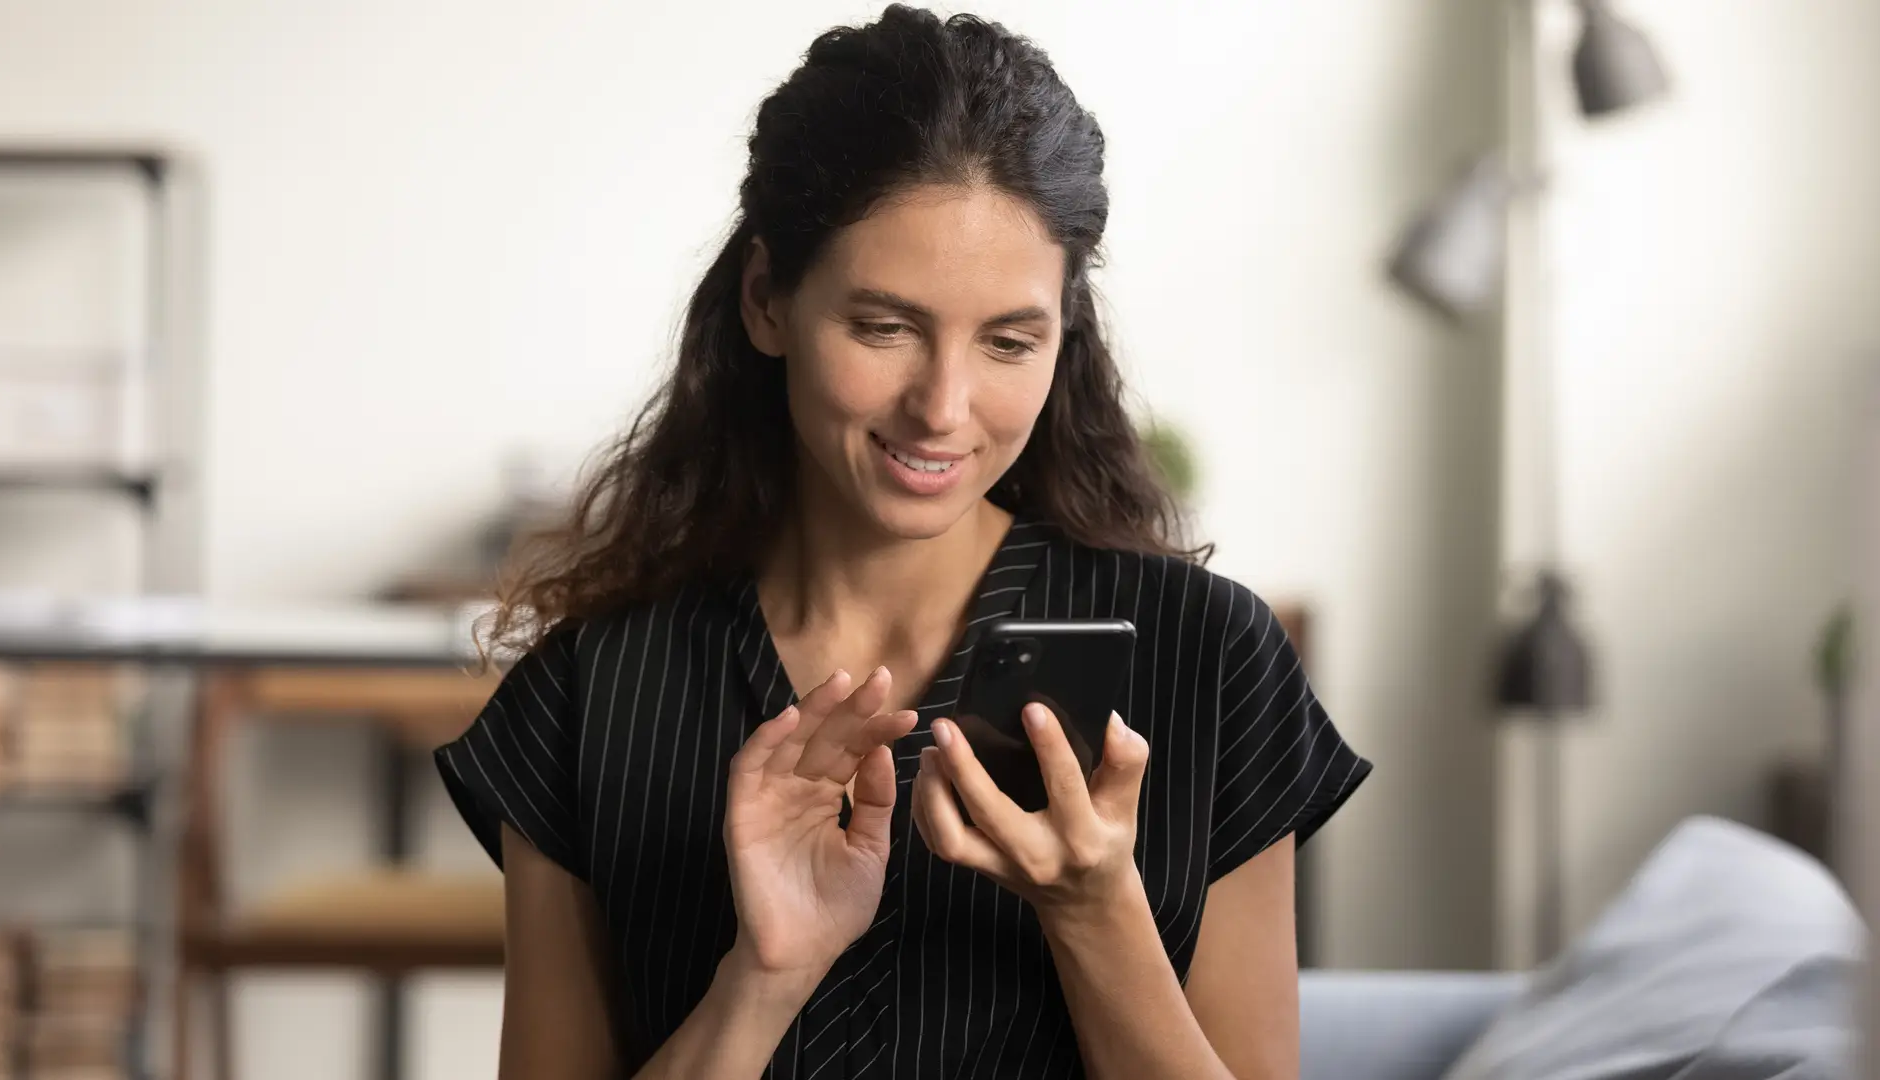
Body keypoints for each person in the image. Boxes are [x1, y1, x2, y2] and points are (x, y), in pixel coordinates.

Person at [435, 6, 1370, 1078]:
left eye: (1010, 341)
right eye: (884, 328)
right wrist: (766, 976)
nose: (943, 406)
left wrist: (1096, 913)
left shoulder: (1209, 659)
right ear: (766, 300)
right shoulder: (594, 692)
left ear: (1065, 335)